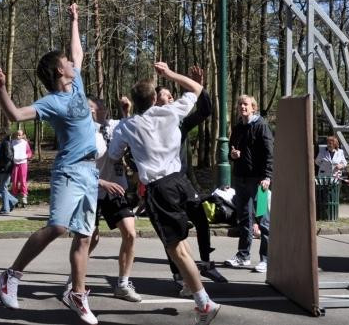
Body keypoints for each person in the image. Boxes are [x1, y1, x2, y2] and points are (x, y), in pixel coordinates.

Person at [0, 3, 100, 324]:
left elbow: (77, 52)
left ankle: (76, 294)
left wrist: (75, 21)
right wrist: (2, 90)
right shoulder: (51, 102)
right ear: (58, 72)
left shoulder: (76, 80)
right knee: (58, 227)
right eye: (65, 62)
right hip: (69, 171)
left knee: (84, 235)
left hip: (90, 171)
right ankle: (11, 275)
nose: (70, 62)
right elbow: (15, 115)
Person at [109, 62, 221, 325]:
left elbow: (114, 155)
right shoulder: (171, 112)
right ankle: (193, 289)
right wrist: (171, 74)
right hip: (180, 181)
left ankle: (204, 303)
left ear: (135, 102)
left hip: (159, 189)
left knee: (176, 249)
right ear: (153, 99)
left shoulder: (128, 125)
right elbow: (196, 88)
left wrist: (125, 119)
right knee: (181, 245)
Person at [155, 67, 227, 293]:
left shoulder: (180, 123)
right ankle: (178, 274)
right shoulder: (150, 123)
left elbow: (206, 110)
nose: (170, 98)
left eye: (170, 95)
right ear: (155, 101)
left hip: (185, 181)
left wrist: (197, 86)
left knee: (201, 220)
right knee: (175, 232)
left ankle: (205, 263)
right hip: (164, 185)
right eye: (165, 96)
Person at [67, 97, 141, 302]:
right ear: (89, 111)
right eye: (97, 107)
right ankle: (75, 278)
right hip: (91, 189)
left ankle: (123, 284)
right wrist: (101, 182)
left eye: (104, 107)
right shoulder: (83, 133)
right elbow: (77, 168)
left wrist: (127, 111)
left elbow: (133, 128)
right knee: (90, 238)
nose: (103, 110)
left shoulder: (116, 125)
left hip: (116, 189)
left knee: (130, 233)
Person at [225, 95, 273, 274]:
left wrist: (267, 177)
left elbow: (269, 153)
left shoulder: (261, 126)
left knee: (263, 219)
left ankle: (266, 259)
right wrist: (233, 155)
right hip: (241, 179)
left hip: (259, 181)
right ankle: (243, 256)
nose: (242, 107)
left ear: (253, 107)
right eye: (239, 104)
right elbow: (231, 150)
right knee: (245, 219)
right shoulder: (237, 128)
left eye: (245, 104)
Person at [10, 129, 33, 207]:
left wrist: (25, 156)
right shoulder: (12, 142)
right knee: (15, 181)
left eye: (19, 135)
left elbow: (29, 153)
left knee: (23, 181)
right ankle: (14, 198)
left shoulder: (25, 143)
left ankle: (24, 198)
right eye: (17, 134)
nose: (18, 136)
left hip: (23, 163)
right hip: (15, 163)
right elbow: (10, 152)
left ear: (23, 135)